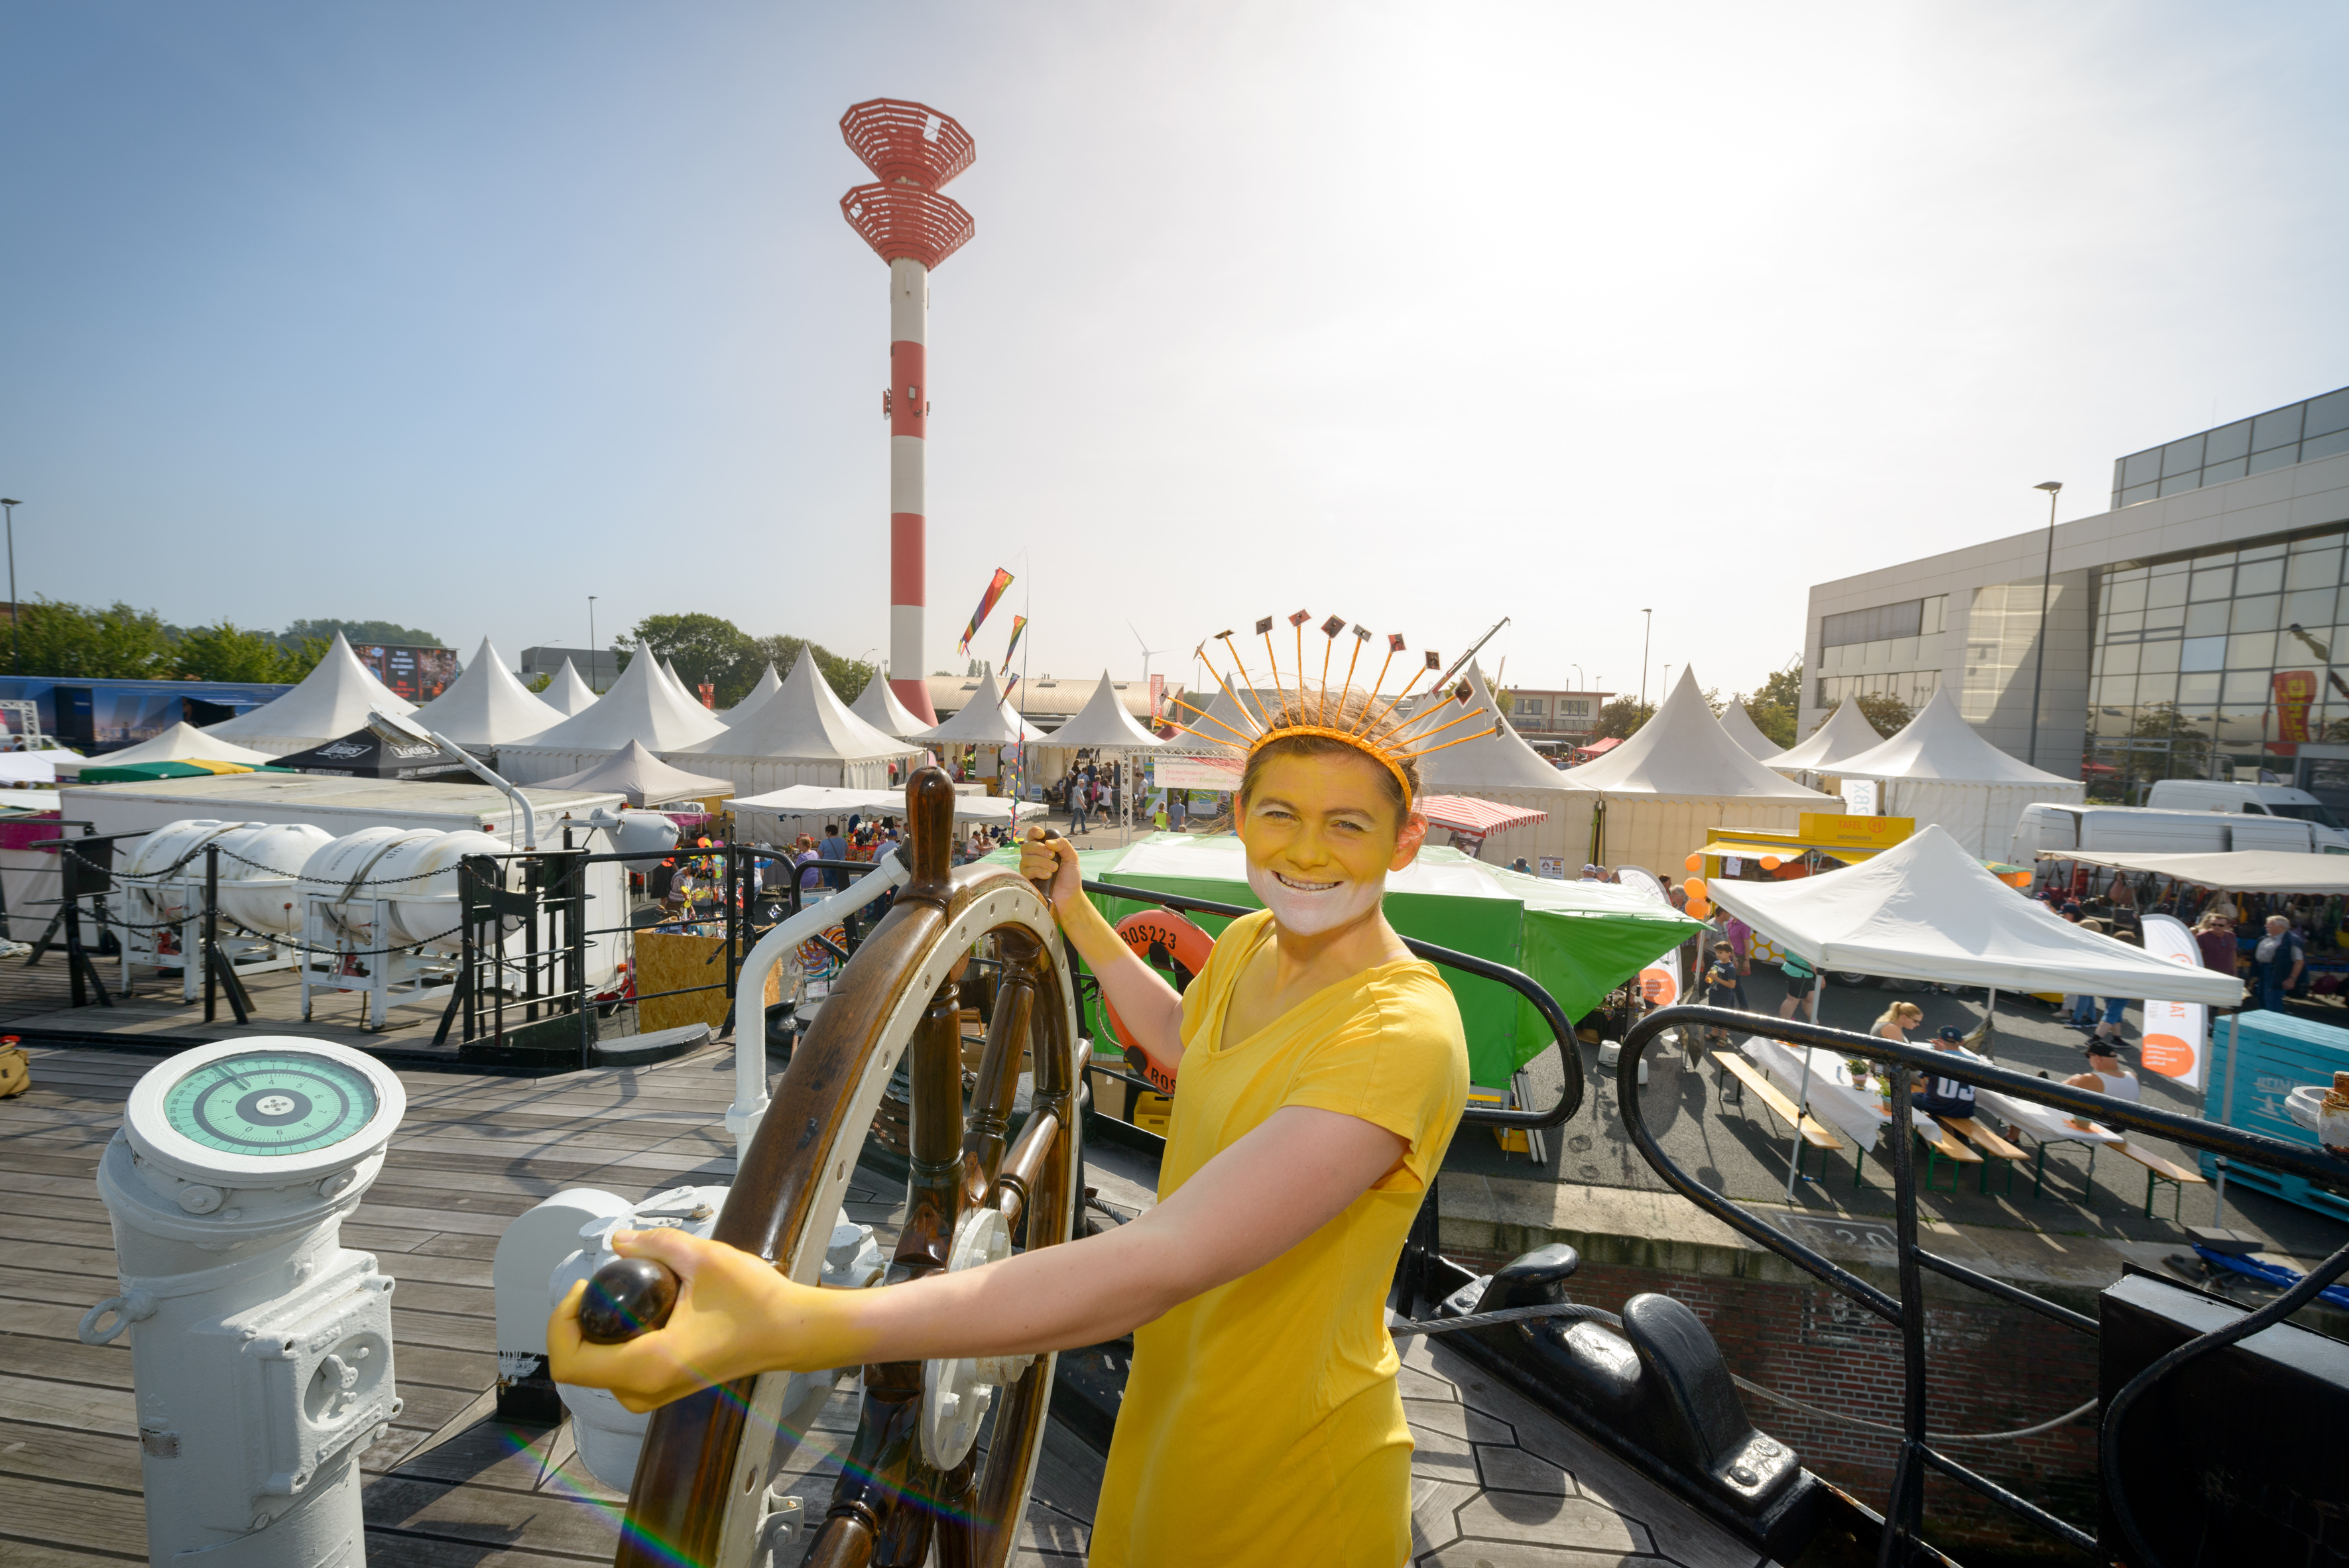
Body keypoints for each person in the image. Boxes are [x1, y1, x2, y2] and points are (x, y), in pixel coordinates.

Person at [549, 682, 1469, 1567]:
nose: (1306, 850)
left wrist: (803, 1323)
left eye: (1347, 824)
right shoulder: (1248, 945)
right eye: (1280, 814)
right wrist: (1075, 912)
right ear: (1239, 817)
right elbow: (1182, 1040)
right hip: (1172, 1411)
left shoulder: (1400, 1037)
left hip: (1296, 1458)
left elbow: (1166, 1257)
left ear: (1406, 839)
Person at [1914, 1026, 1980, 1120]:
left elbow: (1923, 1079)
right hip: (1965, 1111)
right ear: (1962, 1042)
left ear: (1940, 1040)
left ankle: (1920, 1125)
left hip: (1937, 1107)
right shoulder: (1975, 1061)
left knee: (1910, 1097)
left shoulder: (1935, 1058)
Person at [2254, 914, 2305, 1012]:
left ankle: (2273, 1021)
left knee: (2272, 1001)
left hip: (2277, 973)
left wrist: (2292, 979)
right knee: (2262, 998)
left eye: (2270, 924)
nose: (2266, 926)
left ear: (2281, 927)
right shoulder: (2266, 938)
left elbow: (2299, 961)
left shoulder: (2292, 940)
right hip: (2264, 970)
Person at [2065, 1041, 2141, 1103]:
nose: (2089, 1060)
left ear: (2098, 1058)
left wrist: (2071, 1081)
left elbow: (2062, 1096)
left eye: (2089, 1056)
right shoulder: (2133, 1077)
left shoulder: (2092, 1079)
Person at [1778, 950, 1817, 1020]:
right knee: (1793, 1000)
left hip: (1794, 969)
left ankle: (1815, 1024)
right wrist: (1821, 976)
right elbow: (1809, 957)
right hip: (1801, 973)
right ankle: (1783, 1023)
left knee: (1810, 998)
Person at [818, 822, 850, 890]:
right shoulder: (843, 841)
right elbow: (848, 852)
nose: (826, 833)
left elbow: (820, 856)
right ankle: (839, 895)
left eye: (826, 832)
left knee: (828, 885)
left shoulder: (824, 843)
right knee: (840, 885)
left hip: (827, 866)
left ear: (829, 832)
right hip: (840, 865)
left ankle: (830, 896)